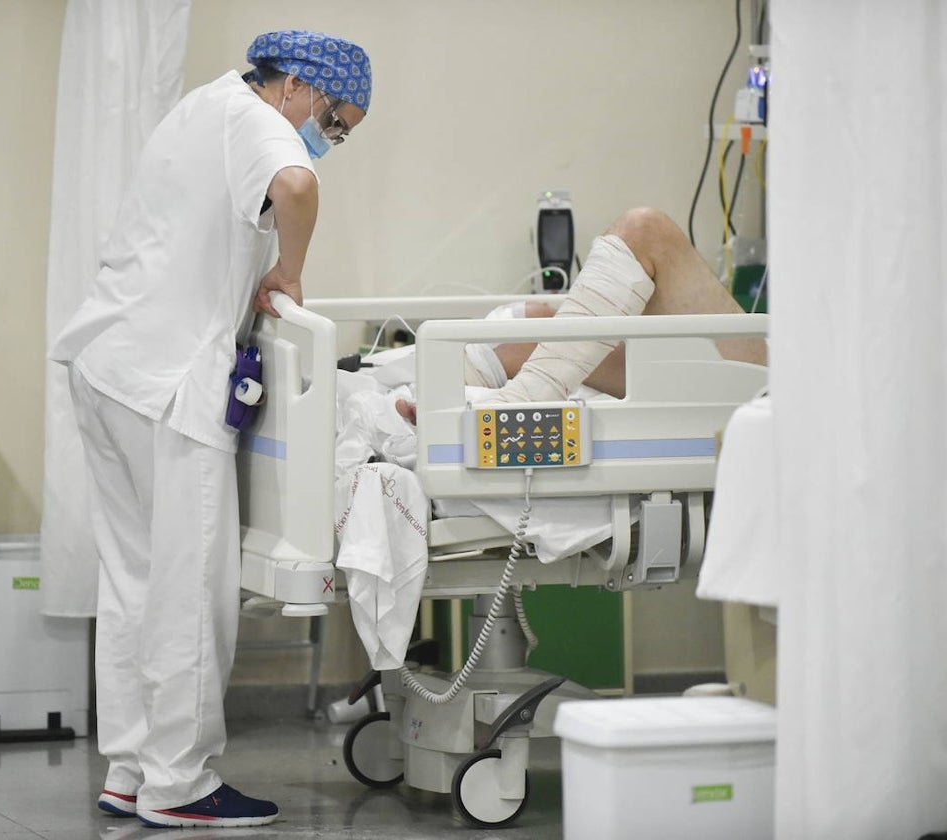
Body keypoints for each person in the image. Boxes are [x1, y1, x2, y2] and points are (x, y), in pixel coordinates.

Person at [49, 30, 371, 829]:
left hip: (106, 363)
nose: (329, 143)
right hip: (166, 384)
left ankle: (129, 767)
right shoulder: (263, 124)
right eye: (335, 123)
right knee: (190, 588)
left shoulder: (206, 104)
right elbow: (294, 187)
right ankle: (180, 783)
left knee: (133, 579)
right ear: (298, 86)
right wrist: (290, 271)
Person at [395, 206, 768, 424]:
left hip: (776, 390)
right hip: (773, 378)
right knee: (534, 324)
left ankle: (521, 398)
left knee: (645, 229)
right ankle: (485, 386)